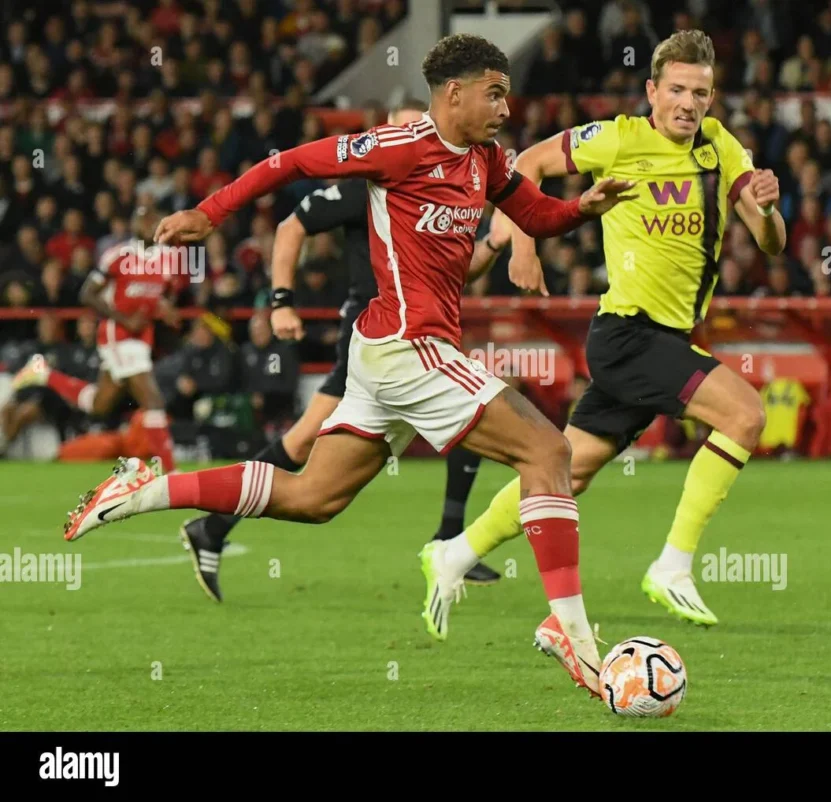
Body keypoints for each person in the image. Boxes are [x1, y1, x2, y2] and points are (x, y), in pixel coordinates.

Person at [62, 33, 638, 697]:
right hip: (407, 347)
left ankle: (144, 491)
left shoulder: (486, 159)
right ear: (454, 93)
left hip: (389, 353)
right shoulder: (398, 147)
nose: (506, 108)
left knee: (313, 498)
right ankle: (573, 633)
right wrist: (210, 212)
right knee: (549, 450)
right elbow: (290, 163)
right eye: (495, 93)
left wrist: (581, 208)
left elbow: (535, 213)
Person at [418, 29, 785, 634]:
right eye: (676, 90)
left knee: (566, 472)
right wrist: (523, 244)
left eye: (700, 93)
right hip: (629, 335)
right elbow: (527, 163)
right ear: (652, 91)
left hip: (668, 339)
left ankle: (455, 553)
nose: (688, 104)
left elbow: (771, 242)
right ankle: (673, 565)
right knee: (745, 415)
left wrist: (767, 210)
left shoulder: (721, 148)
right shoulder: (617, 138)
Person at [179, 99, 507, 604]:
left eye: (416, 127)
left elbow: (461, 274)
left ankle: (212, 528)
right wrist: (281, 301)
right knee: (463, 412)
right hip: (374, 336)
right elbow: (291, 226)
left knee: (307, 442)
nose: (409, 137)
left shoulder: (442, 185)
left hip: (415, 335)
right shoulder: (367, 183)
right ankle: (449, 538)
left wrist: (494, 244)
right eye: (399, 128)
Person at [11, 207, 178, 472]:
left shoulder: (167, 260)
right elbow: (87, 294)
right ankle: (171, 471)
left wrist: (164, 308)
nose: (148, 225)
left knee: (100, 404)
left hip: (142, 337)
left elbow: (157, 295)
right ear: (134, 225)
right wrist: (124, 319)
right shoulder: (118, 255)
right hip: (118, 335)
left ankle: (44, 373)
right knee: (153, 401)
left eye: (153, 220)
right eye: (142, 219)